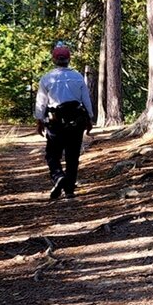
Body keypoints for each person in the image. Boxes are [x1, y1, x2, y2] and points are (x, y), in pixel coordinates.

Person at [34, 43, 94, 200]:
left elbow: (41, 102)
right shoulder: (78, 77)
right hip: (76, 120)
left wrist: (39, 120)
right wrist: (89, 118)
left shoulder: (47, 78)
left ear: (54, 59)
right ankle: (69, 191)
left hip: (55, 122)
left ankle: (58, 176)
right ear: (69, 59)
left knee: (52, 154)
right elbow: (85, 100)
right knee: (72, 156)